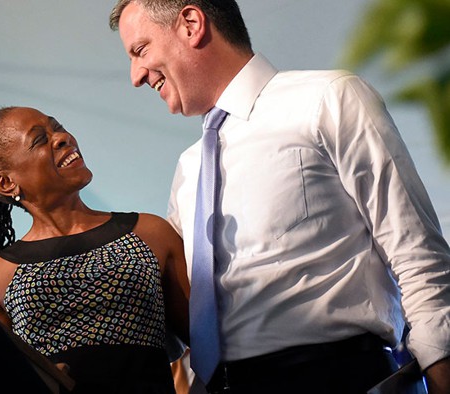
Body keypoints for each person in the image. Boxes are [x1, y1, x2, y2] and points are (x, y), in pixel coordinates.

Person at [103, 0, 450, 393]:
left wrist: (441, 371)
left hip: (339, 375)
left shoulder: (328, 100)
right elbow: (185, 312)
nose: (135, 76)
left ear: (191, 24)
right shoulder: (189, 169)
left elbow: (416, 252)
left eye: (140, 50)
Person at [0, 105, 191, 393]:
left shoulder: (150, 233)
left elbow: (210, 345)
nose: (62, 137)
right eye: (40, 139)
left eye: (57, 127)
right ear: (6, 182)